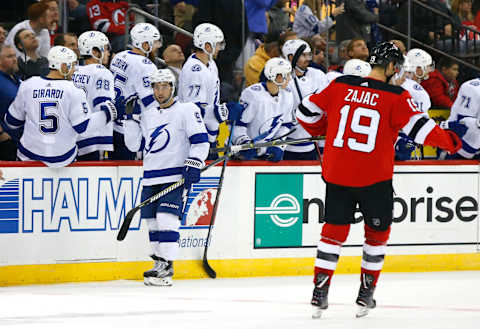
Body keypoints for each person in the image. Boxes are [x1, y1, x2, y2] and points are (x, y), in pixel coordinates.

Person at [295, 42, 465, 319]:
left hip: (337, 174)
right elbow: (422, 132)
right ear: (389, 67)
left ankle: (319, 291)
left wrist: (324, 129)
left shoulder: (340, 85)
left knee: (333, 232)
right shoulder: (396, 96)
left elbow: (303, 112)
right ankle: (366, 294)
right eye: (395, 68)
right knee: (376, 235)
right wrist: (453, 141)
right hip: (374, 177)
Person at [123, 69, 209, 286]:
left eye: (164, 86)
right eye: (156, 87)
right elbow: (134, 146)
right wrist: (130, 120)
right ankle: (158, 265)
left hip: (174, 175)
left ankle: (167, 266)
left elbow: (201, 141)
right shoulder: (149, 114)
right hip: (151, 176)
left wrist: (194, 163)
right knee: (152, 223)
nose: (159, 91)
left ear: (173, 87)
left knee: (166, 219)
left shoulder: (187, 109)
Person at [4, 46, 116, 167]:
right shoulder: (73, 90)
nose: (75, 70)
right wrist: (109, 112)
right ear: (63, 66)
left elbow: (11, 122)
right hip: (63, 159)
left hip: (28, 156)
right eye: (72, 65)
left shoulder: (28, 85)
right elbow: (83, 127)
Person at [109, 22, 161, 160]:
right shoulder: (146, 66)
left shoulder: (119, 56)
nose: (157, 46)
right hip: (132, 128)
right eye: (154, 42)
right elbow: (150, 102)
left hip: (114, 124)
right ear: (145, 44)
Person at [178, 23, 229, 151]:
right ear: (207, 46)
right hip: (195, 136)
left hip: (209, 132)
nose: (219, 48)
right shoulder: (194, 71)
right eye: (217, 44)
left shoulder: (210, 63)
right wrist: (217, 113)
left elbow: (211, 101)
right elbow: (195, 110)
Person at [232, 57, 293, 162]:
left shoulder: (288, 95)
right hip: (242, 155)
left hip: (266, 154)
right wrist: (244, 143)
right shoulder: (252, 94)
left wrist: (279, 145)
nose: (290, 78)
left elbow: (285, 125)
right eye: (287, 75)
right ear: (277, 77)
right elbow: (237, 125)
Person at [282, 39, 329, 160]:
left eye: (309, 54)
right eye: (303, 55)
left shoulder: (318, 75)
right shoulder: (282, 79)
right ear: (291, 57)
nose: (308, 58)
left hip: (313, 144)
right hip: (287, 145)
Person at [72, 31, 115, 161]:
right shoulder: (102, 72)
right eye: (106, 49)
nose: (108, 53)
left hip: (74, 136)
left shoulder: (72, 71)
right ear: (95, 52)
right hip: (94, 138)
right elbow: (104, 106)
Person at [392, 48, 435, 160]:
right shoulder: (417, 91)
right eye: (427, 66)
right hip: (405, 143)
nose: (429, 70)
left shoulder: (393, 84)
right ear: (418, 69)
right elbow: (420, 125)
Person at [445, 77, 480, 159]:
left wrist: (448, 125)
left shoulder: (467, 84)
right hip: (470, 135)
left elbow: (454, 112)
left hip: (459, 129)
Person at [0, 44, 21, 140]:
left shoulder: (17, 79)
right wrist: (1, 134)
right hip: (7, 140)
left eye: (14, 55)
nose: (14, 59)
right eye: (9, 56)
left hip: (22, 140)